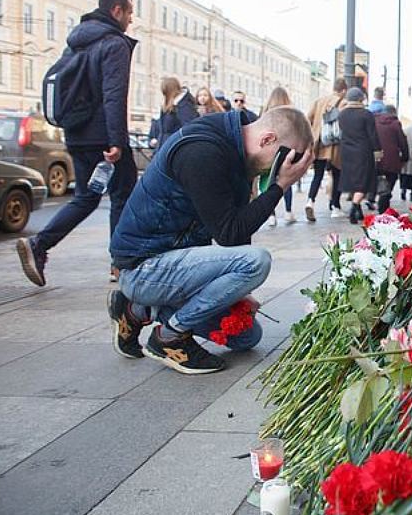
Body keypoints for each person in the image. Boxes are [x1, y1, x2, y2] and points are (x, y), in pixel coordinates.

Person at [107, 106, 314, 374]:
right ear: (267, 139)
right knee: (257, 262)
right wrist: (280, 187)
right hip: (143, 268)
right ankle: (170, 336)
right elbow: (229, 234)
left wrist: (241, 292)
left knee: (246, 336)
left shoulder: (237, 146)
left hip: (173, 265)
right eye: (283, 159)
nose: (280, 169)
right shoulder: (202, 152)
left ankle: (136, 311)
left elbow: (237, 232)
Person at [17, 0, 138, 287]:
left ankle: (39, 245)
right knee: (125, 194)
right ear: (117, 10)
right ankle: (121, 265)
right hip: (103, 137)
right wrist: (116, 141)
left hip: (77, 132)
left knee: (86, 197)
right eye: (130, 12)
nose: (131, 19)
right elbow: (113, 95)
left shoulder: (76, 44)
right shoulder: (113, 44)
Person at [305, 78, 348, 221]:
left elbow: (307, 118)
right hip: (335, 145)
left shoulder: (319, 101)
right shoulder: (343, 102)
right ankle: (335, 207)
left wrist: (313, 132)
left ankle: (310, 201)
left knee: (318, 175)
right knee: (337, 175)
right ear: (343, 90)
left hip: (319, 142)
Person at [338, 88, 381, 224]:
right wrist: (378, 150)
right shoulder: (366, 114)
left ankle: (358, 212)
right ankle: (354, 207)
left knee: (354, 181)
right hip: (363, 151)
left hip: (346, 151)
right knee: (364, 181)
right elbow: (372, 135)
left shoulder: (342, 114)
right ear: (361, 99)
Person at [262, 86, 297, 226]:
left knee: (267, 182)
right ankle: (288, 212)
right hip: (285, 150)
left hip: (268, 150)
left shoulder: (265, 112)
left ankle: (271, 215)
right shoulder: (291, 112)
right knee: (286, 181)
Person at [375, 104, 409, 213]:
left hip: (377, 158)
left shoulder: (375, 122)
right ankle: (384, 207)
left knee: (379, 180)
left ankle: (380, 199)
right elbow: (402, 142)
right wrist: (405, 157)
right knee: (390, 182)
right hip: (392, 159)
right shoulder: (395, 124)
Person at [155, 78, 197, 149]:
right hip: (166, 145)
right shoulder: (172, 105)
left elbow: (188, 127)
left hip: (174, 145)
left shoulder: (184, 105)